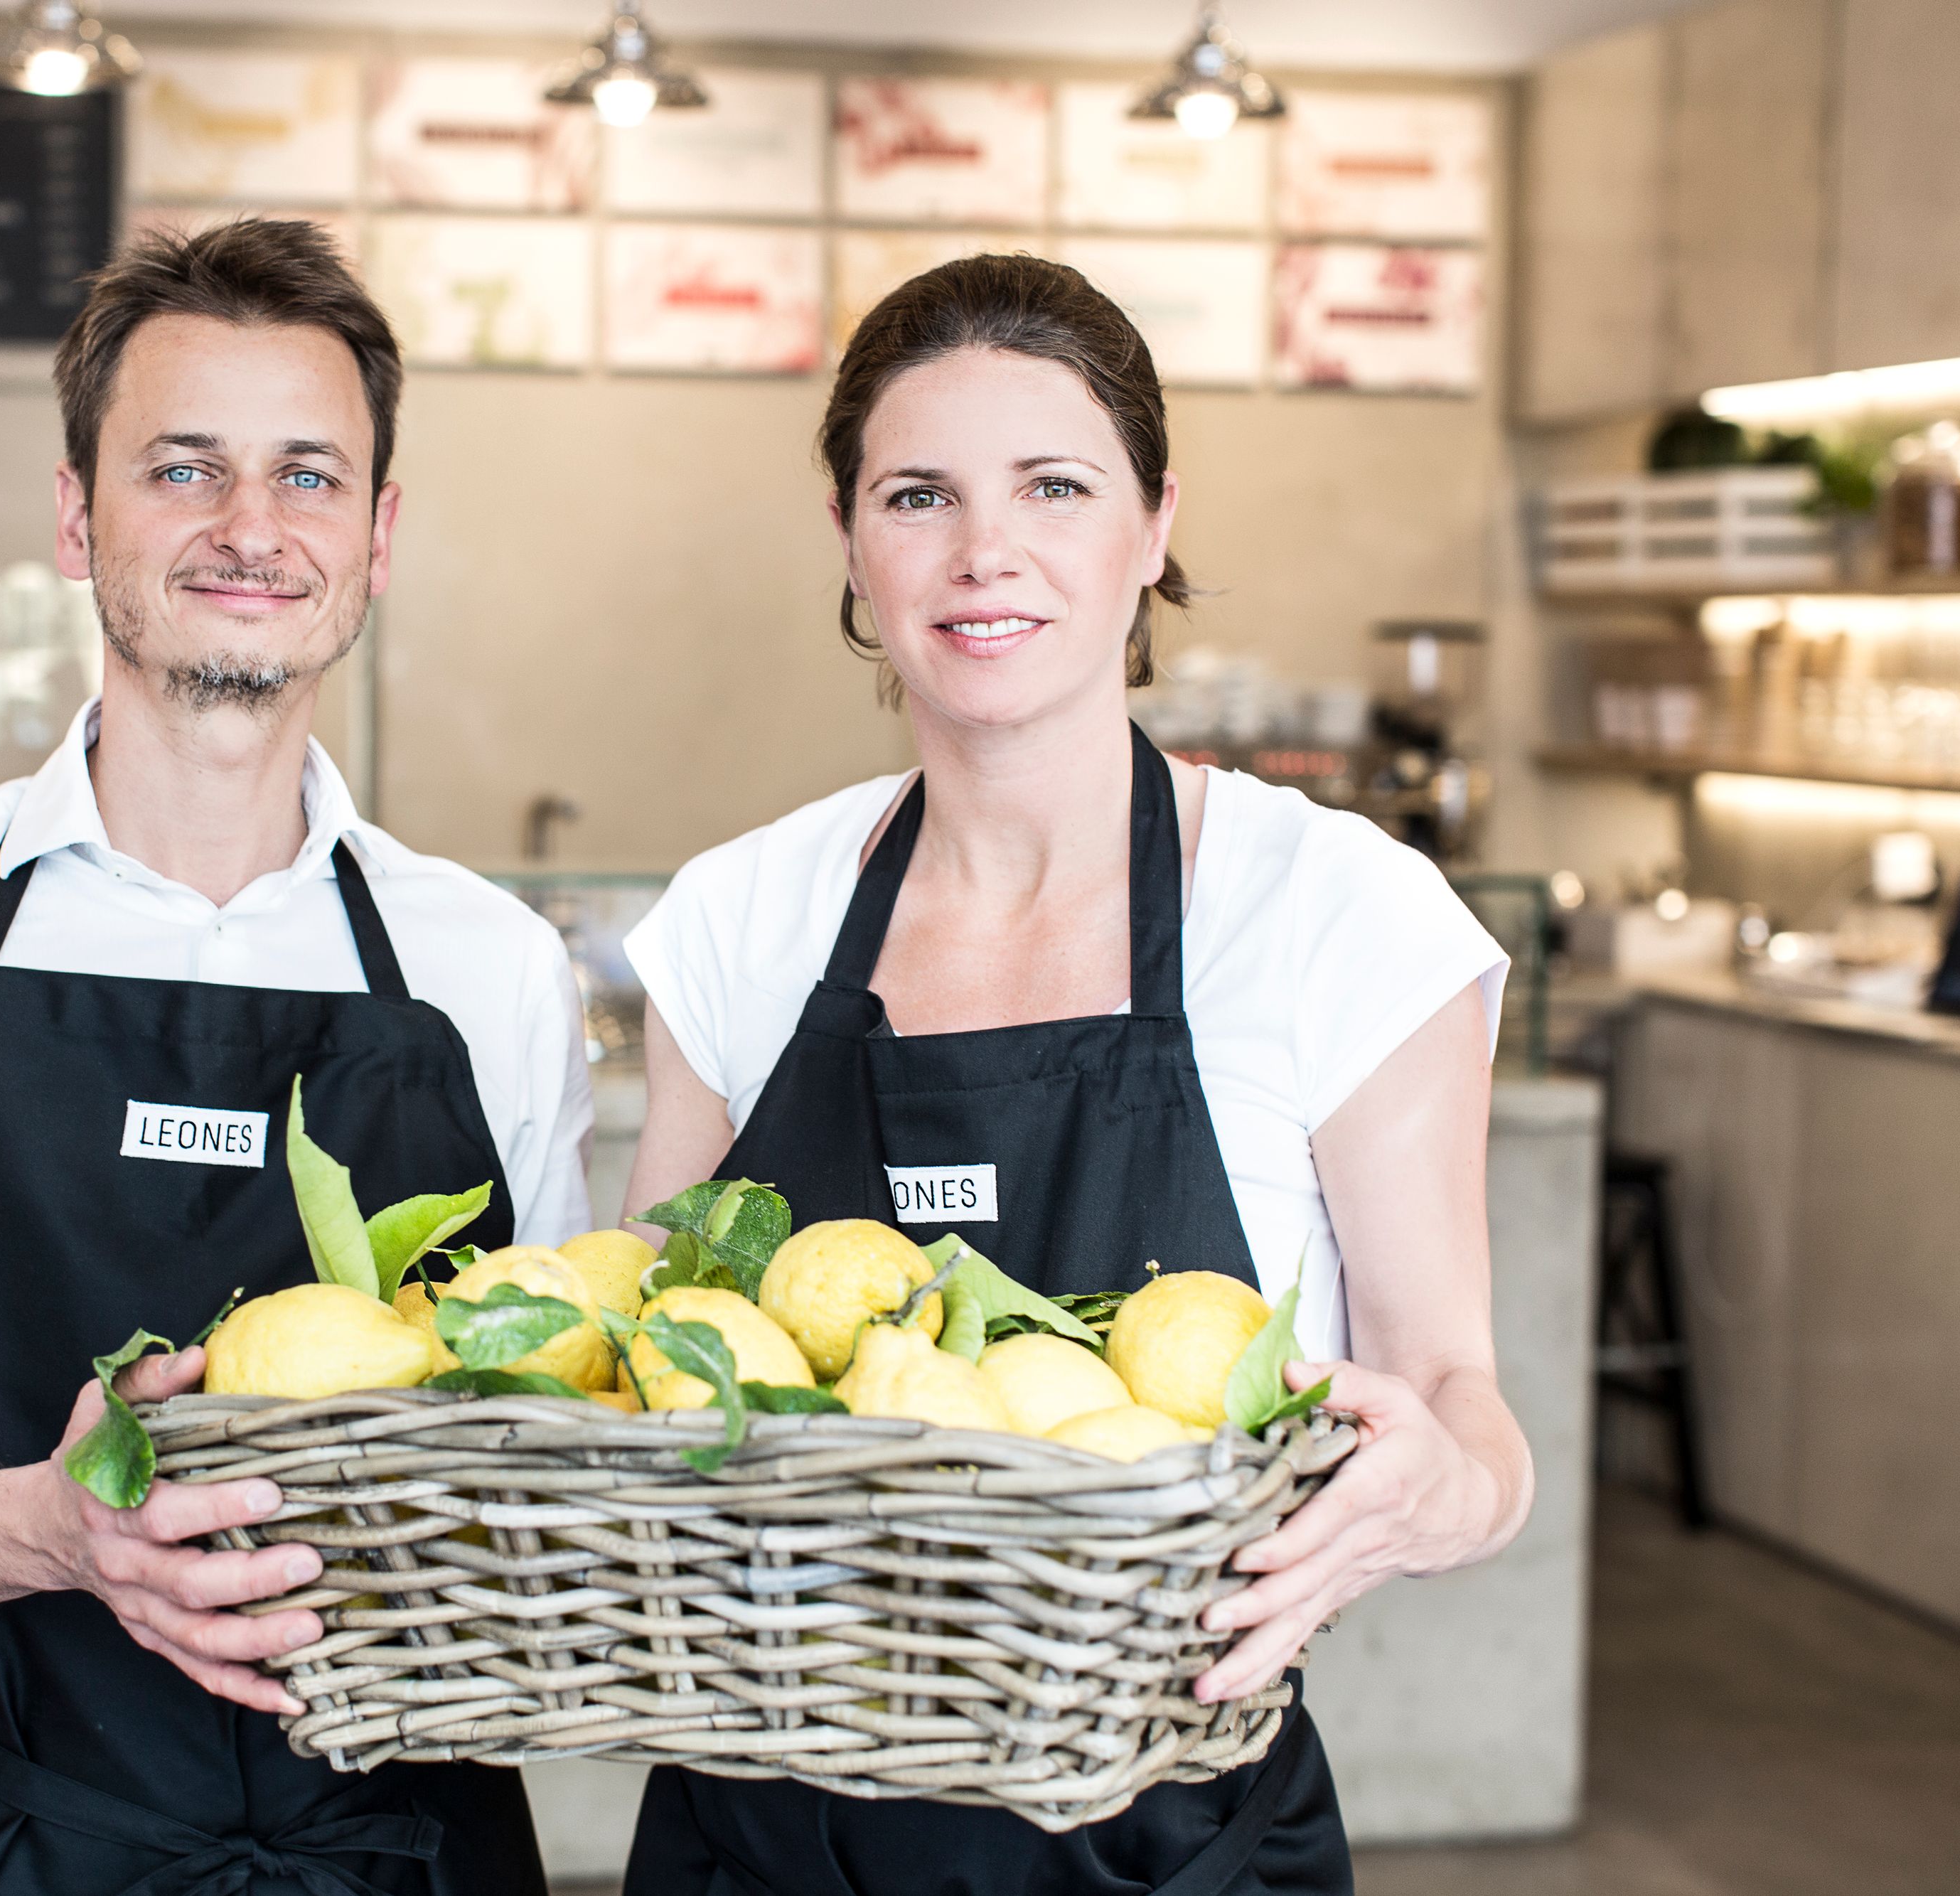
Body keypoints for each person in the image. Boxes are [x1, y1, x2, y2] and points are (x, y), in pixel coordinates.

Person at [0, 220, 591, 1896]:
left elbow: (552, 1436)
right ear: (80, 515)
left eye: (309, 475)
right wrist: (52, 1529)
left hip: (408, 1845)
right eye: (185, 467)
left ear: (376, 538)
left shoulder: (492, 969)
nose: (251, 526)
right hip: (3, 1840)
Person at [614, 254, 1535, 1895]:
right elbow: (651, 1367)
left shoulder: (1331, 912)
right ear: (849, 538)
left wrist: (1435, 1493)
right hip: (761, 1830)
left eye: (1054, 484)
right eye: (917, 494)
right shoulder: (743, 919)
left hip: (1169, 1840)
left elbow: (1458, 1404)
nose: (985, 553)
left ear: (1151, 524)